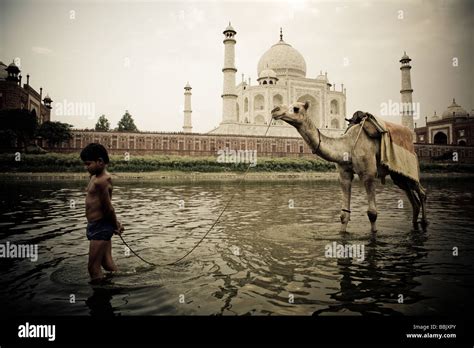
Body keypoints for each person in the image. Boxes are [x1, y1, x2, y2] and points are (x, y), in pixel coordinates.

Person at [80, 143, 124, 283]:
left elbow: (108, 208)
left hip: (101, 226)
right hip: (97, 224)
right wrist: (115, 223)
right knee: (107, 264)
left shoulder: (103, 181)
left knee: (93, 268)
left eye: (88, 164)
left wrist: (115, 225)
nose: (86, 167)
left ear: (100, 162)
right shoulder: (94, 177)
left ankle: (101, 298)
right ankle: (123, 282)